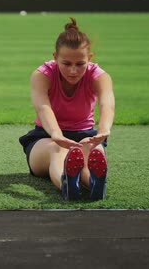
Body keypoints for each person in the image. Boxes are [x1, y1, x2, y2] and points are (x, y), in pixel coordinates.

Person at [19, 17, 115, 201]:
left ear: (90, 58)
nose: (73, 71)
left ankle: (94, 183)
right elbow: (43, 106)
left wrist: (103, 130)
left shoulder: (99, 76)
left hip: (86, 134)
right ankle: (67, 183)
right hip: (46, 138)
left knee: (90, 148)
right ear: (55, 57)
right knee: (58, 150)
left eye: (80, 64)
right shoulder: (42, 75)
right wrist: (56, 134)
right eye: (66, 64)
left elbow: (107, 104)